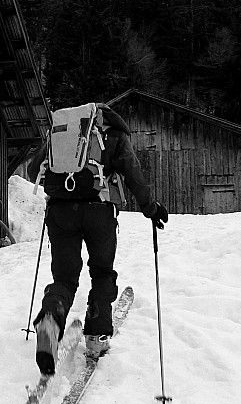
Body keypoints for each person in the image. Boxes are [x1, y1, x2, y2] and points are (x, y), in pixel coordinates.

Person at [27, 101, 168, 374]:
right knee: (102, 272)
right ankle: (97, 335)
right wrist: (150, 208)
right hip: (99, 212)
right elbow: (133, 173)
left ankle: (50, 319)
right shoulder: (113, 135)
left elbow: (35, 171)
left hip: (60, 212)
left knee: (65, 278)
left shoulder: (62, 132)